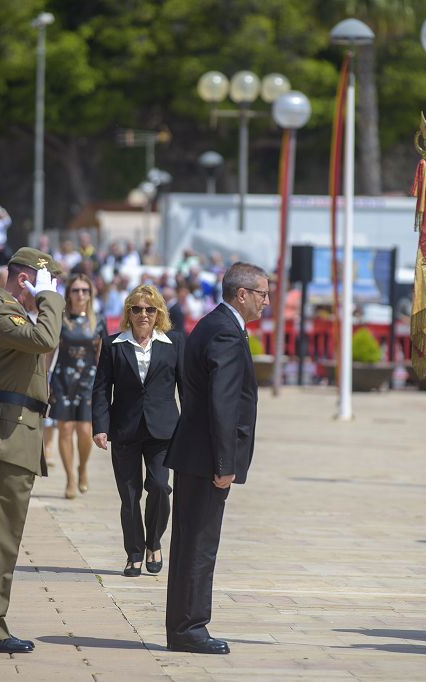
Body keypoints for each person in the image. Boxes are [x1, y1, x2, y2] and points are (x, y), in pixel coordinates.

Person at [0, 247, 64, 654]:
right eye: (43, 284)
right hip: (5, 432)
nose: (48, 293)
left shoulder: (14, 314)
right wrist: (49, 298)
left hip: (17, 429)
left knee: (5, 533)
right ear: (26, 280)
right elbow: (46, 338)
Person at [164, 262, 268, 655]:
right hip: (207, 459)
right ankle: (190, 628)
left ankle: (183, 626)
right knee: (199, 545)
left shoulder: (213, 325)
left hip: (196, 452)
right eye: (262, 294)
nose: (266, 302)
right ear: (241, 294)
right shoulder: (225, 331)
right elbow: (222, 402)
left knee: (191, 542)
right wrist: (225, 464)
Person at [92, 284, 184, 577]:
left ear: (159, 314)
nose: (143, 314)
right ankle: (134, 551)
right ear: (128, 313)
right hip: (125, 430)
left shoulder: (175, 343)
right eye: (137, 309)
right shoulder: (112, 345)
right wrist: (100, 427)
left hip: (163, 431)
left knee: (159, 487)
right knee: (129, 496)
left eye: (150, 309)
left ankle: (153, 541)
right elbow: (101, 390)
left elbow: (187, 389)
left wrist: (192, 427)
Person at [47, 273, 108, 498]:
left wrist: (106, 385)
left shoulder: (98, 320)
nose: (81, 294)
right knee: (64, 429)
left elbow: (103, 356)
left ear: (90, 294)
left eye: (85, 290)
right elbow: (49, 352)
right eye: (76, 290)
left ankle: (82, 468)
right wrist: (44, 378)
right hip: (63, 378)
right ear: (69, 293)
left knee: (85, 431)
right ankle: (70, 478)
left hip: (89, 380)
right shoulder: (61, 319)